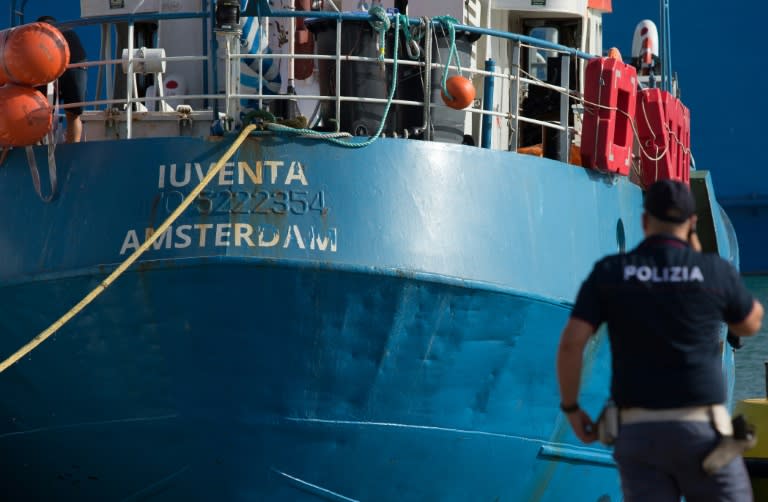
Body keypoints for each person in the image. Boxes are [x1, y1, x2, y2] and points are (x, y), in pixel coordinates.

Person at [556, 179, 764, 501]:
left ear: (643, 222)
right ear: (692, 223)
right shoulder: (713, 271)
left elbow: (571, 344)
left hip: (638, 434)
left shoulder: (612, 272)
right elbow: (750, 323)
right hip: (703, 433)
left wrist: (572, 408)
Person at [36, 16, 87, 143]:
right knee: (73, 115)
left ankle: (40, 148)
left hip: (50, 65)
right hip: (75, 65)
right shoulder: (68, 33)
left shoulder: (37, 35)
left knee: (42, 115)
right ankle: (72, 148)